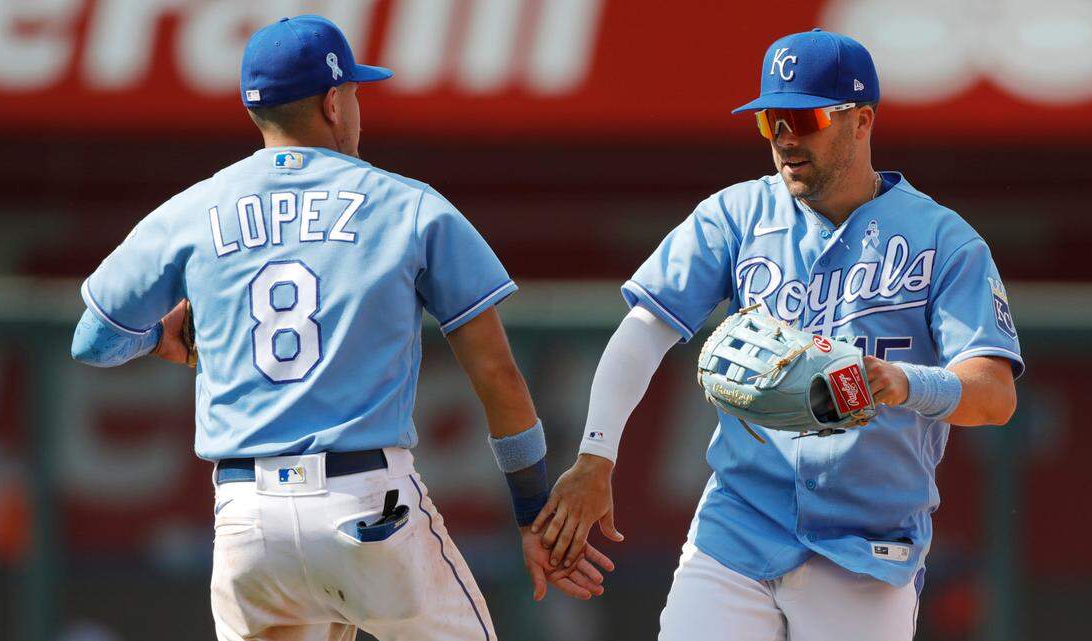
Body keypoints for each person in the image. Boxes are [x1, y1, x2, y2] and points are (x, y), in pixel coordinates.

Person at [70, 15, 611, 641]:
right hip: (366, 506)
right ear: (332, 102)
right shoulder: (409, 205)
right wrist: (530, 513)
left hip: (247, 518)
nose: (356, 107)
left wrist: (157, 338)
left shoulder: (195, 207)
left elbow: (92, 340)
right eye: (353, 92)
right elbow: (497, 376)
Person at [532, 28, 1022, 641]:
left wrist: (904, 383)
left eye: (803, 118)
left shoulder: (945, 241)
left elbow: (995, 393)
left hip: (868, 547)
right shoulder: (736, 215)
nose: (785, 139)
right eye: (770, 122)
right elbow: (644, 330)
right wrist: (596, 455)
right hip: (738, 527)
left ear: (862, 119)